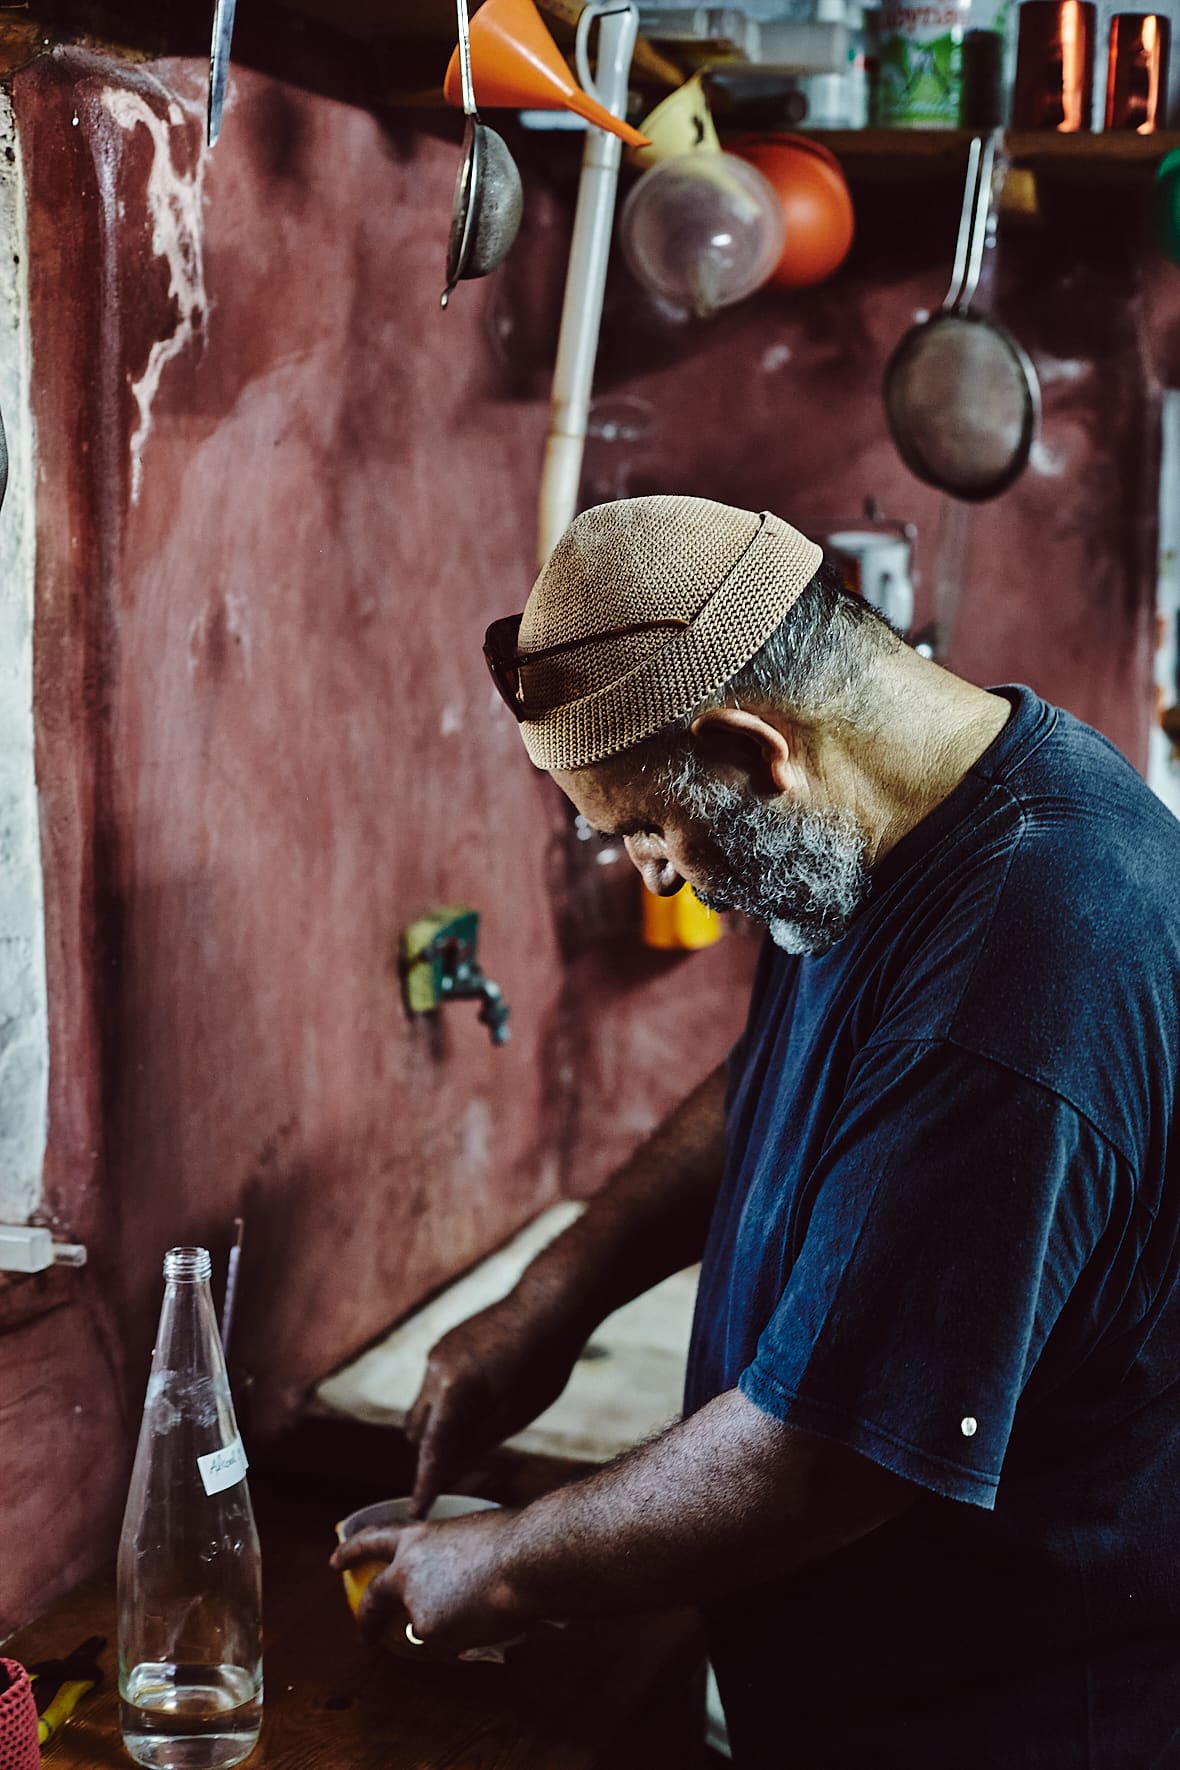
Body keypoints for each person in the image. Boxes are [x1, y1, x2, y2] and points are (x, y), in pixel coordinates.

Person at [332, 496, 1180, 1769]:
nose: (654, 875)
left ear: (750, 746)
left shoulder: (1029, 962)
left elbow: (824, 1457)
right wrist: (557, 1297)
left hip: (1012, 1716)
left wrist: (507, 1564)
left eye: (645, 829)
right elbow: (768, 1083)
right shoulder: (890, 821)